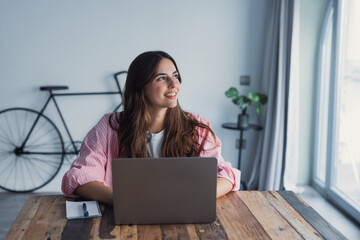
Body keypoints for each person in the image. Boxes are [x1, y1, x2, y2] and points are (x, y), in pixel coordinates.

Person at [61, 51, 240, 205]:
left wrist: (193, 197)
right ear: (140, 86)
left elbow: (225, 175)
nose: (174, 84)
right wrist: (127, 201)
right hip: (126, 219)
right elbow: (81, 177)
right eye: (162, 78)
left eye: (175, 76)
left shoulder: (196, 127)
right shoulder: (109, 127)